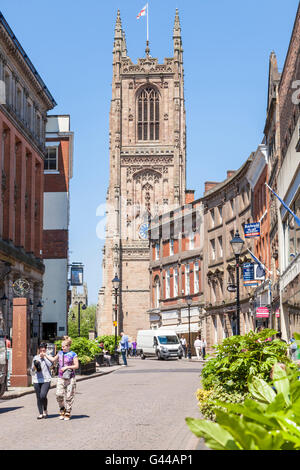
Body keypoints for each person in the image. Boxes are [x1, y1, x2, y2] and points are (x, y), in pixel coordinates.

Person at [45, 336, 79, 421]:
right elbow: (53, 359)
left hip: (70, 377)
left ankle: (68, 411)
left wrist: (67, 367)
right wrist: (45, 355)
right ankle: (62, 408)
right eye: (62, 346)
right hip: (60, 377)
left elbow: (76, 366)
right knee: (58, 394)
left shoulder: (73, 354)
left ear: (68, 346)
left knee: (69, 396)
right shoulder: (60, 353)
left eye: (64, 346)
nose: (62, 347)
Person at [31, 342, 52, 419]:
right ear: (39, 350)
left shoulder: (48, 356)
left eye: (44, 350)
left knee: (43, 395)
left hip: (46, 379)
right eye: (41, 350)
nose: (42, 352)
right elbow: (32, 370)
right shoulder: (35, 357)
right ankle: (40, 413)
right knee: (38, 397)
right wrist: (35, 366)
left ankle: (45, 410)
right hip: (37, 380)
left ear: (46, 350)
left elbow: (50, 365)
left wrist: (44, 357)